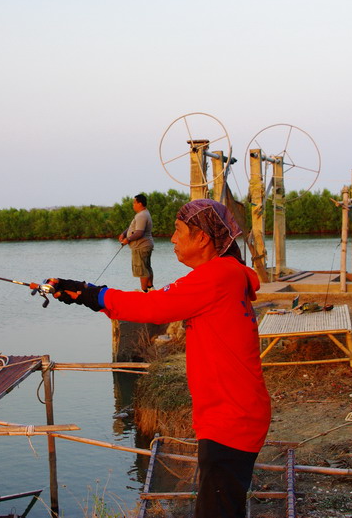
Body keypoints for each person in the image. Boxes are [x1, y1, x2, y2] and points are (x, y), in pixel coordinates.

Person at [49, 198, 271, 518]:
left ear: (203, 239)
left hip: (231, 420)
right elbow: (159, 302)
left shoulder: (216, 277)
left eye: (179, 231)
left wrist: (90, 294)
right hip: (233, 415)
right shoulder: (227, 274)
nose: (173, 239)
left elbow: (150, 308)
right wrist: (86, 293)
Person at [118, 193, 154, 291]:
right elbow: (133, 227)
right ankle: (150, 289)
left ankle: (144, 291)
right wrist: (124, 233)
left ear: (140, 203)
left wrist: (128, 239)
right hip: (144, 245)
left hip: (141, 246)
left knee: (142, 270)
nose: (133, 205)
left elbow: (139, 233)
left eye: (134, 203)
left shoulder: (142, 215)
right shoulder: (142, 214)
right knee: (146, 267)